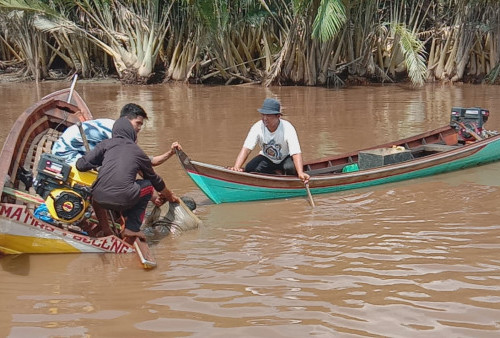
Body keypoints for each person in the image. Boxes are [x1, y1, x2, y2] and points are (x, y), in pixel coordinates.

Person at [76, 115, 180, 239]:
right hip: (123, 198)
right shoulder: (137, 151)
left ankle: (106, 230)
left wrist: (100, 161)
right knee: (147, 185)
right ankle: (132, 228)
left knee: (96, 192)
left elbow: (81, 165)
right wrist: (171, 197)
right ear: (132, 134)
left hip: (100, 198)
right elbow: (155, 181)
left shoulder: (105, 144)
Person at [52, 103, 181, 166]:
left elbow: (142, 161)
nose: (139, 128)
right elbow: (144, 164)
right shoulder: (117, 134)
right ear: (126, 119)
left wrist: (170, 153)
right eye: (138, 123)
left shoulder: (110, 125)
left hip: (61, 153)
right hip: (66, 160)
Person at [230, 98, 310, 183]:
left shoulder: (288, 128)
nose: (264, 118)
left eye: (268, 115)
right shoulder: (257, 127)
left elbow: (296, 152)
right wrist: (236, 167)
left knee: (290, 168)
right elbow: (246, 149)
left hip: (285, 158)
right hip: (267, 157)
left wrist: (300, 173)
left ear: (278, 116)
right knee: (250, 168)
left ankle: (286, 180)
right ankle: (275, 173)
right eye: (263, 115)